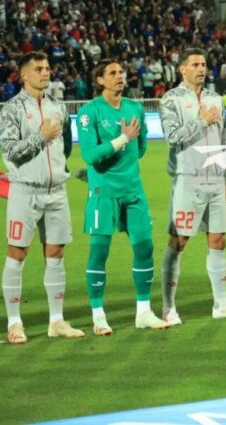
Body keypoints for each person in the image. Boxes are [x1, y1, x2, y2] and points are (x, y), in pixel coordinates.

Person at [77, 59, 169, 335]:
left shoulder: (135, 108)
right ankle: (98, 316)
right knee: (99, 251)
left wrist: (127, 144)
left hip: (133, 191)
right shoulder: (89, 112)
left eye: (121, 72)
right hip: (103, 193)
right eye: (112, 73)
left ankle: (144, 312)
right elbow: (90, 155)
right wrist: (122, 139)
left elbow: (141, 148)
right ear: (100, 80)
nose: (119, 76)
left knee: (145, 248)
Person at [0, 52, 84, 344]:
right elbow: (10, 151)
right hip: (25, 190)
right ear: (24, 75)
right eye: (38, 69)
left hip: (56, 191)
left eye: (47, 68)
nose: (45, 72)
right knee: (17, 253)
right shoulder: (11, 109)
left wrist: (58, 168)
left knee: (56, 254)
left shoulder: (59, 107)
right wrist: (41, 136)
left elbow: (66, 146)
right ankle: (14, 322)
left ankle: (56, 321)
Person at [160, 48, 226, 323]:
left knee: (219, 240)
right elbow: (172, 137)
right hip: (188, 179)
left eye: (204, 64)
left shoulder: (215, 99)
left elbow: (224, 140)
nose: (201, 69)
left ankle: (220, 304)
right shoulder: (171, 99)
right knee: (179, 241)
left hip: (215, 181)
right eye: (195, 64)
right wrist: (201, 121)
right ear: (182, 69)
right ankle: (168, 308)